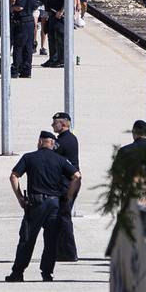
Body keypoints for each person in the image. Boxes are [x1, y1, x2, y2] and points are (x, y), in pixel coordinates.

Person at [7, 131, 80, 282]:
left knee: (27, 239)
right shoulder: (60, 160)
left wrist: (20, 197)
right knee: (51, 241)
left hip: (35, 204)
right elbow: (77, 176)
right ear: (53, 144)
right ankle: (47, 273)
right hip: (54, 204)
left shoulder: (29, 157)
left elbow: (14, 176)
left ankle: (18, 273)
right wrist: (68, 196)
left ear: (40, 142)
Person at [51, 112, 82, 262]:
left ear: (63, 124)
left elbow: (51, 157)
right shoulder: (69, 138)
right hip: (70, 181)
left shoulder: (62, 142)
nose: (52, 125)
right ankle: (63, 250)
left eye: (55, 123)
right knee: (62, 216)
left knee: (63, 216)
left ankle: (69, 252)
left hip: (67, 182)